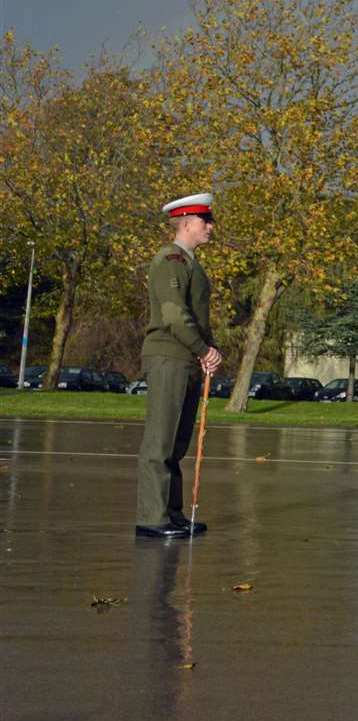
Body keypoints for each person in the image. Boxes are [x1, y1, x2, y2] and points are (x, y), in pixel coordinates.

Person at [134, 193, 222, 539]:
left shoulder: (188, 263)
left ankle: (171, 513)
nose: (211, 227)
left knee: (177, 441)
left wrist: (208, 351)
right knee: (160, 441)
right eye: (206, 221)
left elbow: (197, 315)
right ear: (186, 223)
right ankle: (152, 518)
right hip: (169, 355)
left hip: (185, 358)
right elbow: (173, 315)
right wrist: (204, 350)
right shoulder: (170, 260)